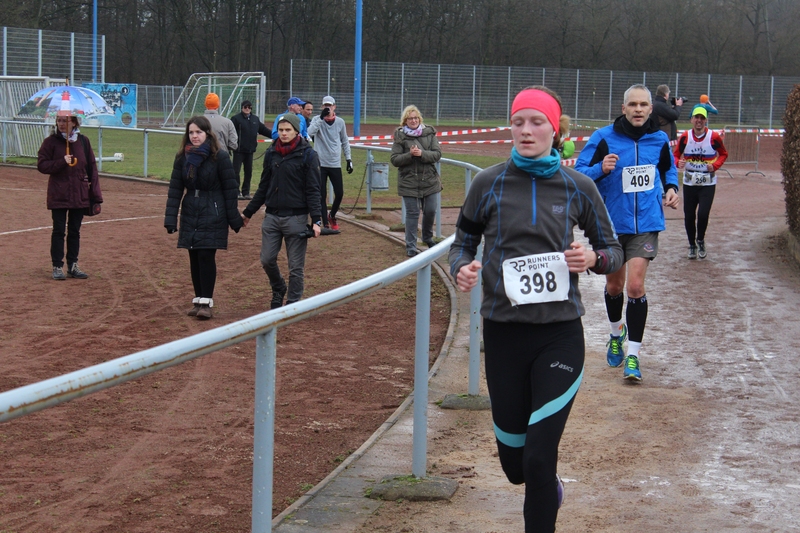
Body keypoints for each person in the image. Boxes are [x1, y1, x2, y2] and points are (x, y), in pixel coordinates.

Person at [449, 87, 623, 533]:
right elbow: (463, 243)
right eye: (518, 122)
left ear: (555, 130)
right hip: (503, 335)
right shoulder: (487, 184)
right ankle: (548, 487)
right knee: (516, 467)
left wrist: (593, 259)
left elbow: (613, 251)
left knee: (540, 458)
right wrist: (461, 268)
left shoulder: (578, 186)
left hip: (558, 335)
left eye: (537, 122)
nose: (526, 131)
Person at [575, 84, 680, 381]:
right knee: (614, 287)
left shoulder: (659, 139)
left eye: (643, 105)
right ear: (623, 108)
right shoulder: (603, 138)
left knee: (635, 286)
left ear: (651, 109)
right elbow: (579, 173)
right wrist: (601, 168)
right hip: (610, 225)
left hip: (645, 223)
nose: (638, 109)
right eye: (632, 104)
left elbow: (668, 169)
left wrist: (672, 188)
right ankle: (615, 334)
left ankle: (633, 355)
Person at [164, 116, 244, 320]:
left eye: (198, 132)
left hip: (213, 211)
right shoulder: (182, 157)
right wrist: (170, 219)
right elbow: (175, 189)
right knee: (193, 256)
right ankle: (198, 299)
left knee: (206, 256)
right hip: (191, 209)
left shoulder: (220, 157)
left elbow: (230, 189)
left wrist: (234, 219)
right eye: (191, 132)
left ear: (207, 133)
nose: (194, 136)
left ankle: (207, 302)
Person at [242, 113, 322, 309]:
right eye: (280, 130)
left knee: (295, 267)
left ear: (296, 131)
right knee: (267, 260)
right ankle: (278, 287)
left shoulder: (308, 155)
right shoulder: (271, 153)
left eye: (288, 130)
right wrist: (248, 212)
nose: (283, 133)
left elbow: (313, 189)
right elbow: (263, 187)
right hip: (272, 216)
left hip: (296, 217)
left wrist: (317, 220)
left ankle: (293, 304)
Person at [37, 114, 103, 280]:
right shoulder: (50, 142)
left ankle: (73, 265)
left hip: (79, 193)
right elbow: (42, 165)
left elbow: (91, 168)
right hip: (58, 193)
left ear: (73, 122)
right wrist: (61, 161)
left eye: (65, 121)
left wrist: (95, 194)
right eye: (59, 120)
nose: (61, 124)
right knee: (59, 230)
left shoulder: (83, 141)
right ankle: (57, 266)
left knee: (74, 231)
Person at [674, 106, 728, 259]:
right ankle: (692, 244)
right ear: (691, 119)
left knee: (703, 214)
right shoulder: (685, 137)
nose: (699, 121)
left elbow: (723, 154)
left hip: (707, 183)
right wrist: (678, 162)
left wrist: (715, 166)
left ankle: (700, 240)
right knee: (689, 215)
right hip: (690, 182)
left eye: (702, 118)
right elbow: (675, 155)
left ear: (706, 120)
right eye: (696, 117)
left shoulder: (714, 137)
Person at [390, 105, 442, 257]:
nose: (413, 121)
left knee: (430, 210)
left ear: (419, 119)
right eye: (410, 119)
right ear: (405, 121)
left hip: (429, 180)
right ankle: (411, 246)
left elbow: (437, 154)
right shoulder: (400, 136)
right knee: (412, 213)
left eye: (415, 118)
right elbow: (395, 159)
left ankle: (427, 237)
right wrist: (410, 155)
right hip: (409, 182)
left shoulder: (429, 133)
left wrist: (422, 154)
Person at [308, 95, 353, 230]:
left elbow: (344, 140)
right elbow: (309, 133)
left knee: (339, 193)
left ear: (334, 107)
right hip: (320, 163)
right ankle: (325, 222)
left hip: (334, 163)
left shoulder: (340, 122)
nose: (328, 108)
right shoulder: (317, 120)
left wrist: (348, 159)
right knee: (321, 194)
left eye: (330, 105)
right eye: (325, 106)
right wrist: (321, 118)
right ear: (322, 107)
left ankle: (332, 215)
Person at [231, 99, 271, 200]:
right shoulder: (236, 119)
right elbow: (230, 132)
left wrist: (275, 135)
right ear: (242, 108)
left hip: (250, 151)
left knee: (248, 172)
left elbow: (263, 130)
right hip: (238, 150)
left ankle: (246, 192)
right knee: (236, 172)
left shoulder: (255, 119)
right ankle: (236, 192)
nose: (247, 109)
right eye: (245, 107)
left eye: (249, 107)